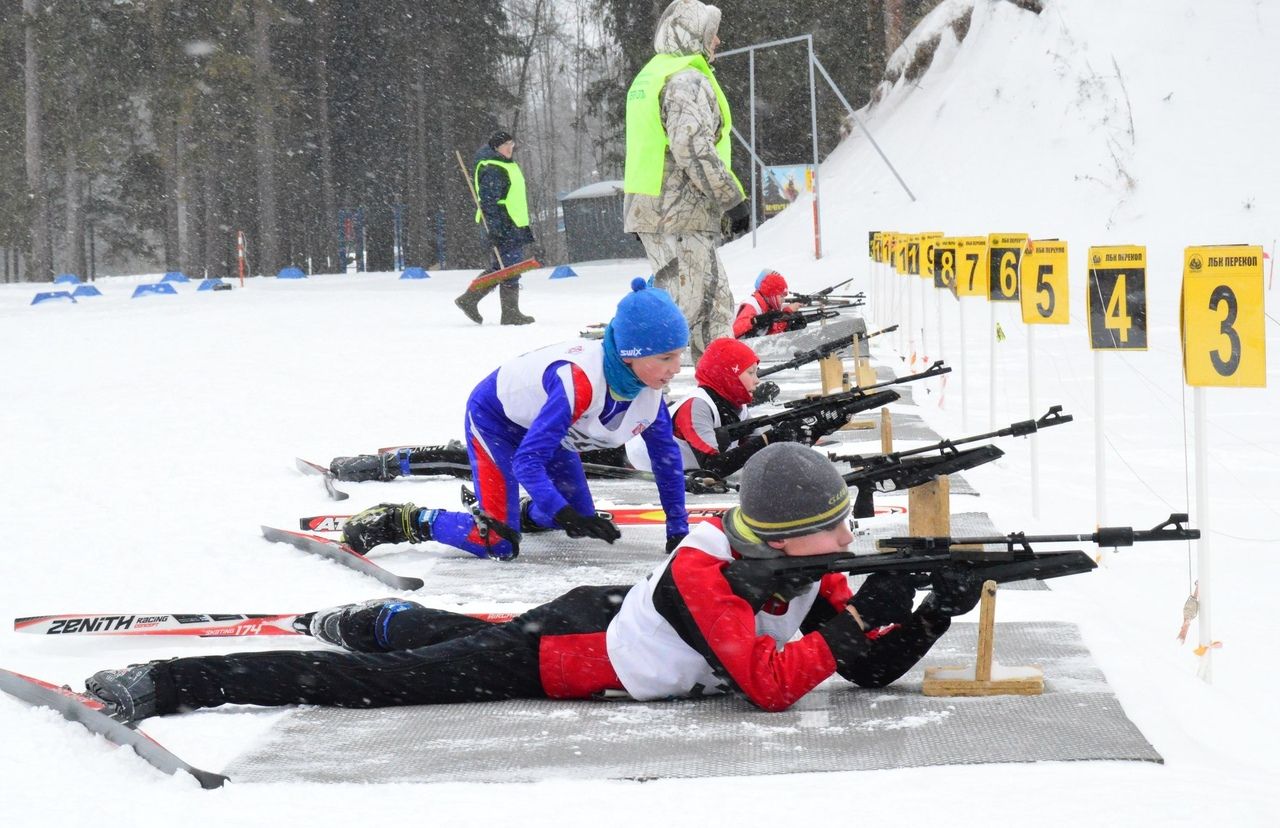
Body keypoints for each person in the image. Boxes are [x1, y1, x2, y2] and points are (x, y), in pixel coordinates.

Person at [83, 443, 984, 721]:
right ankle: (171, 682)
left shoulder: (801, 567)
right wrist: (865, 608)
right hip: (566, 653)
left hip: (611, 624)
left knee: (449, 635)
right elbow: (772, 688)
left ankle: (387, 616)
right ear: (787, 533)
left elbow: (857, 665)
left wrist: (927, 613)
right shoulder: (708, 568)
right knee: (376, 692)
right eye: (836, 525)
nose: (851, 536)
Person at [340, 278, 691, 563]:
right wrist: (562, 510)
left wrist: (677, 529)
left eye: (679, 355)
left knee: (572, 515)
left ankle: (515, 511)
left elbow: (666, 459)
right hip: (496, 422)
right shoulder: (580, 381)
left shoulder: (648, 390)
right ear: (630, 356)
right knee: (499, 542)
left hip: (548, 433)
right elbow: (527, 460)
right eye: (666, 357)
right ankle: (403, 520)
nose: (676, 368)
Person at [623, 0, 748, 363]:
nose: (718, 40)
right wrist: (730, 198)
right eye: (711, 33)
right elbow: (691, 147)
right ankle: (625, 393)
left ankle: (720, 393)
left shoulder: (654, 74)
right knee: (685, 314)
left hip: (659, 209)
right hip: (678, 212)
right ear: (694, 36)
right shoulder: (686, 80)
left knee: (711, 307)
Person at [625, 336, 789, 480]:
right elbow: (713, 467)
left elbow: (756, 453)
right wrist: (770, 438)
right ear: (728, 375)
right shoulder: (697, 405)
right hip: (624, 456)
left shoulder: (738, 405)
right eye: (750, 373)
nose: (757, 380)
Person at [454, 131, 536, 326]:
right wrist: (496, 230)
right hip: (502, 224)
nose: (509, 148)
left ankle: (470, 299)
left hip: (513, 223)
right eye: (505, 145)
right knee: (509, 267)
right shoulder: (492, 168)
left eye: (511, 144)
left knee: (503, 267)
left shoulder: (507, 164)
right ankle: (509, 313)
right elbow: (489, 203)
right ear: (495, 148)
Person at [732, 269, 804, 339]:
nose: (783, 300)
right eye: (781, 296)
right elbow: (734, 332)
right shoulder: (751, 306)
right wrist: (757, 321)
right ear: (771, 294)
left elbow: (767, 337)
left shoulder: (767, 306)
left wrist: (787, 322)